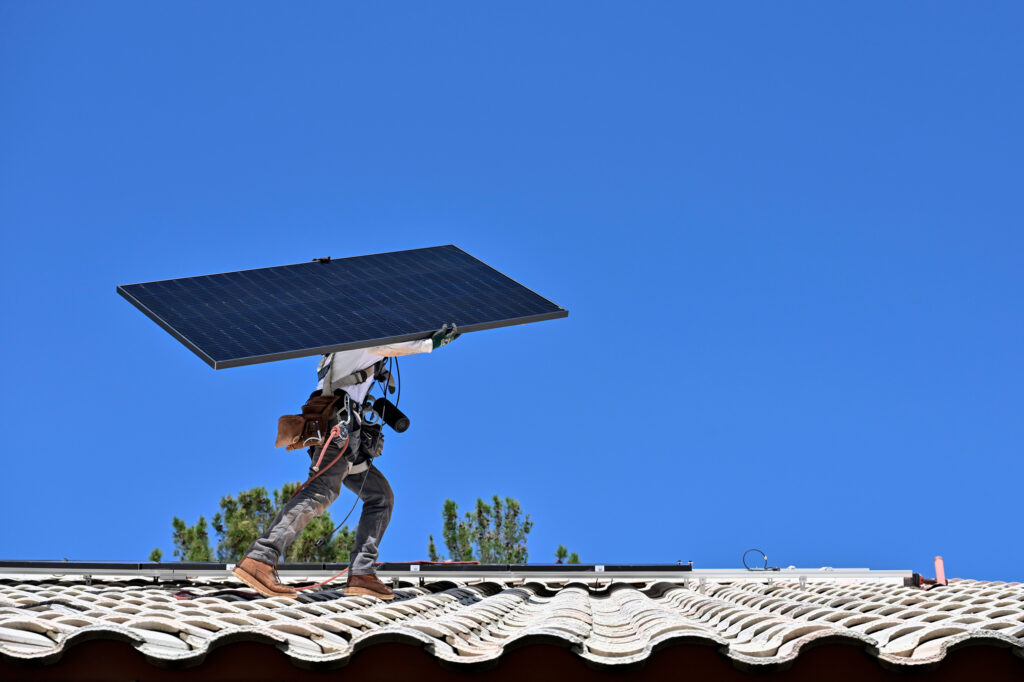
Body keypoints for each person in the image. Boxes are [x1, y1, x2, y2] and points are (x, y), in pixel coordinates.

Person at [232, 324, 460, 599]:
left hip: (346, 429)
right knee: (321, 492)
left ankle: (362, 574)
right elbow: (388, 345)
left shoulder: (344, 343)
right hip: (338, 427)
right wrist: (430, 344)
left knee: (380, 496)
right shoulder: (361, 335)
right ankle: (260, 559)